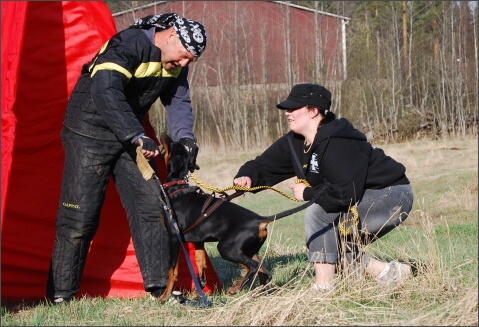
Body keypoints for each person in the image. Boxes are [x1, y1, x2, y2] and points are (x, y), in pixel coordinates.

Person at [46, 13, 207, 304]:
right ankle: (60, 297)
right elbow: (105, 89)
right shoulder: (128, 44)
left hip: (129, 137)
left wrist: (186, 139)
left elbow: (179, 102)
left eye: (190, 62)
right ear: (170, 36)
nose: (183, 64)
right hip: (88, 133)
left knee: (153, 207)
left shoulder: (174, 63)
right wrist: (136, 134)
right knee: (79, 218)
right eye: (183, 56)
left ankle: (162, 291)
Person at [233, 83, 414, 291]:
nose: (287, 113)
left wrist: (308, 193)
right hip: (358, 196)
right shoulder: (295, 142)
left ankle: (323, 288)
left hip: (391, 195)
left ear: (314, 111)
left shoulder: (339, 142)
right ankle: (391, 273)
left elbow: (345, 193)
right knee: (332, 243)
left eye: (294, 108)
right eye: (287, 108)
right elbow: (264, 165)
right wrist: (247, 176)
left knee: (318, 214)